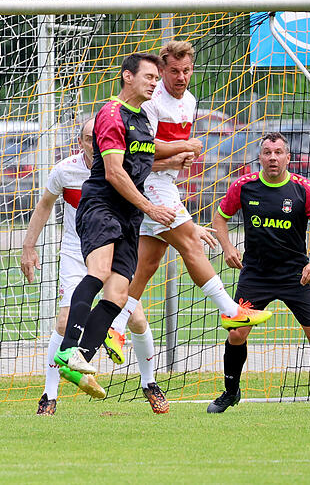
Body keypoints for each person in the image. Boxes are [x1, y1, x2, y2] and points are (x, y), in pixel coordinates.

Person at [105, 41, 272, 399]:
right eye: (173, 71)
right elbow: (141, 155)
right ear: (162, 70)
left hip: (168, 185)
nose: (180, 78)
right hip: (149, 187)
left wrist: (182, 155)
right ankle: (230, 310)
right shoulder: (149, 104)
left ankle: (116, 327)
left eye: (186, 71)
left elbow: (172, 154)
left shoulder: (192, 102)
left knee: (147, 266)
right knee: (191, 243)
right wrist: (184, 150)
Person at [20, 118, 193, 414]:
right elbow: (45, 204)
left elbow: (155, 167)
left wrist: (181, 156)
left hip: (115, 246)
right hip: (77, 252)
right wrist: (28, 246)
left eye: (98, 138)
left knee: (136, 320)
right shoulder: (65, 170)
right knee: (63, 321)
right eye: (89, 139)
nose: (95, 144)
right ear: (81, 143)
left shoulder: (120, 166)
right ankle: (49, 396)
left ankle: (149, 383)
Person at [52, 52, 179, 397]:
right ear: (127, 77)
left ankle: (80, 359)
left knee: (119, 293)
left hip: (128, 214)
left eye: (157, 78)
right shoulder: (110, 114)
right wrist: (151, 207)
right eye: (150, 76)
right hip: (102, 204)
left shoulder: (142, 118)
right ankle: (67, 347)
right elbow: (114, 171)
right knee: (99, 270)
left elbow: (144, 158)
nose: (155, 83)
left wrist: (178, 151)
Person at [209, 132, 310, 414]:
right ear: (260, 157)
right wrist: (227, 247)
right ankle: (231, 392)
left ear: (287, 157)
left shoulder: (303, 189)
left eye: (278, 152)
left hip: (295, 275)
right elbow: (219, 217)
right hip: (255, 275)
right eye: (267, 152)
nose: (273, 157)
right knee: (237, 333)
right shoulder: (244, 186)